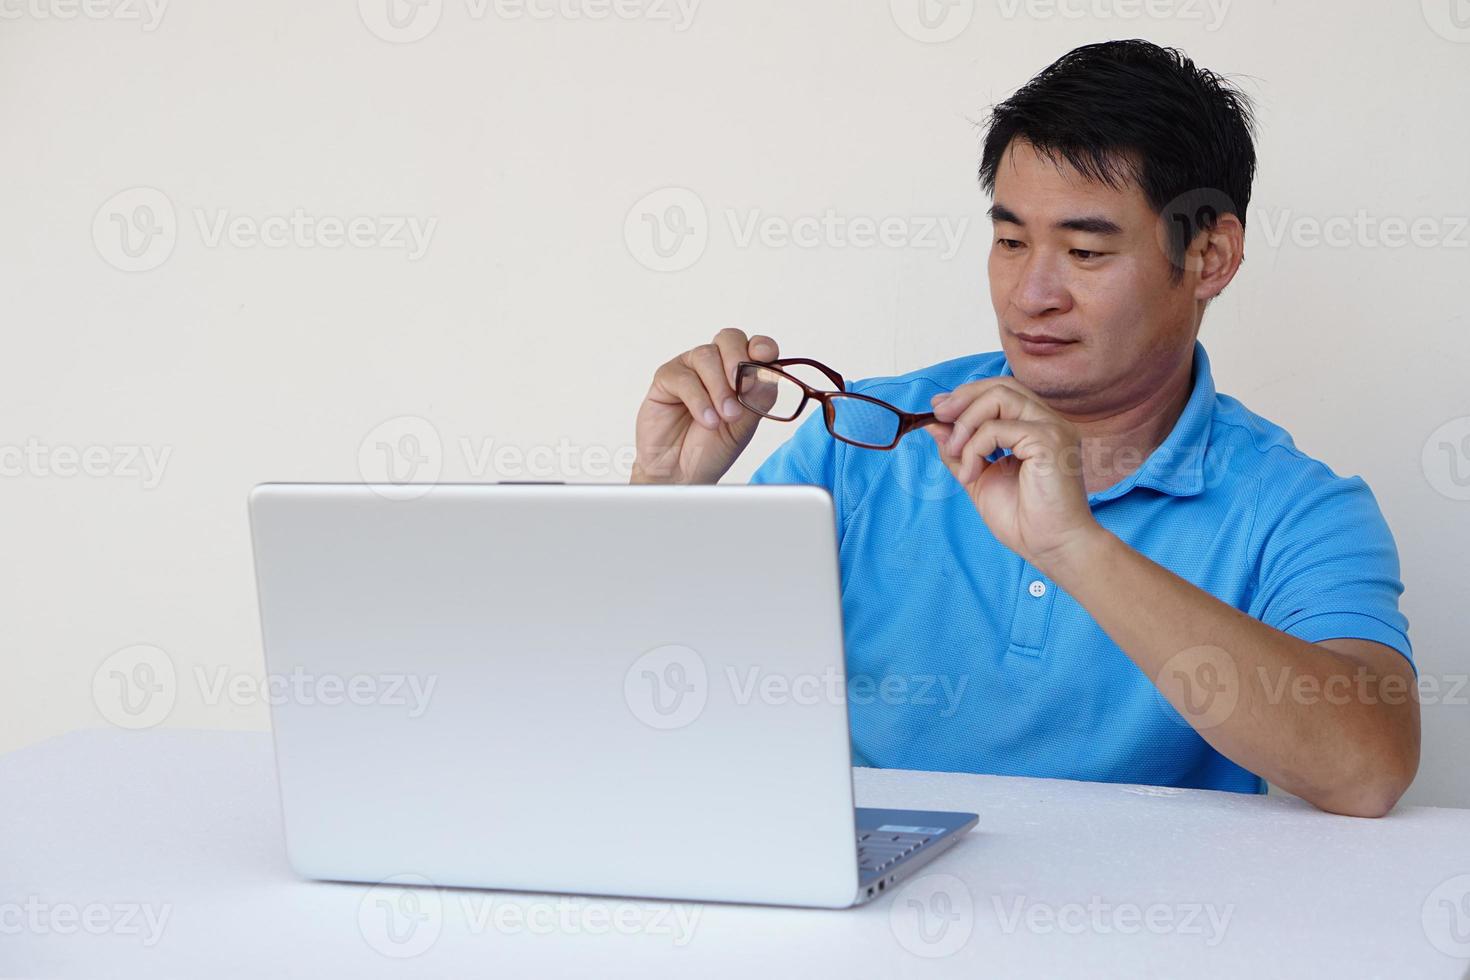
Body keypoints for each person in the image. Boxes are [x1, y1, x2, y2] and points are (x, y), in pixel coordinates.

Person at [629, 39, 1419, 818]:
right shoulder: (867, 437)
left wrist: (1073, 546)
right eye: (1009, 241)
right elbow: (666, 694)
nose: (1030, 293)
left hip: (1151, 929)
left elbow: (1369, 769)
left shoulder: (1297, 508)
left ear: (1210, 256)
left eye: (1083, 250)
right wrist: (662, 504)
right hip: (863, 904)